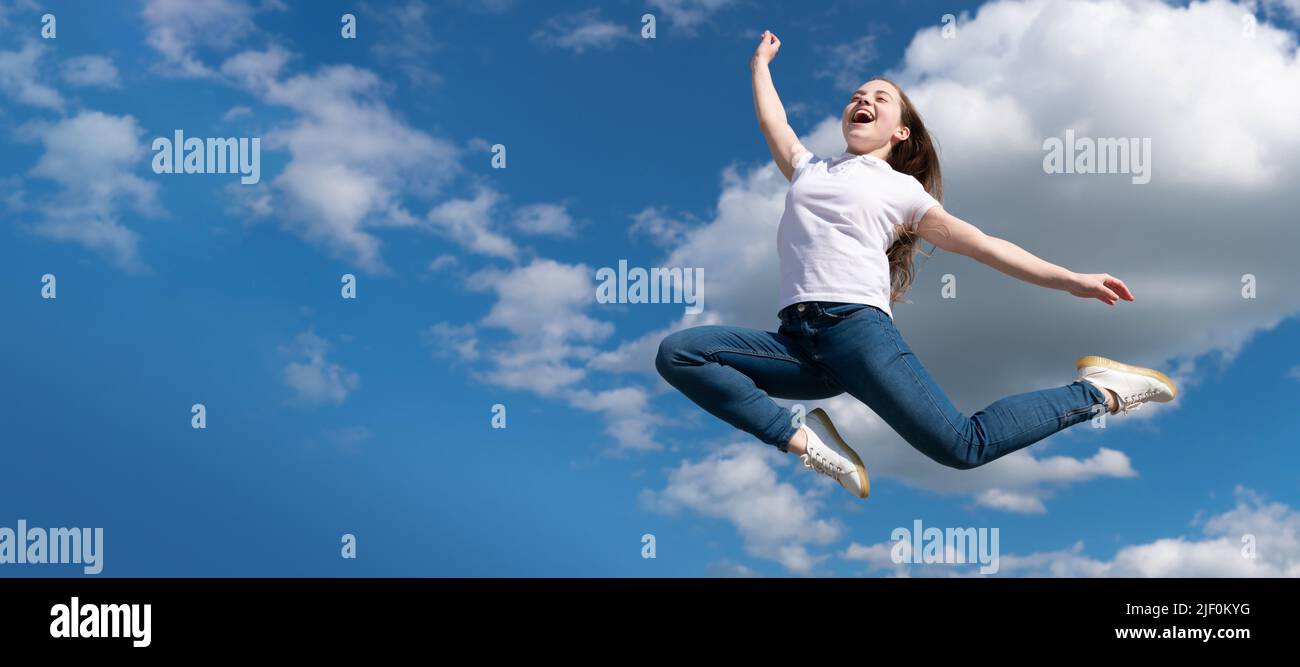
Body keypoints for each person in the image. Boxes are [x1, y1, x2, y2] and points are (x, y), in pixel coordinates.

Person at [654, 30, 1177, 499]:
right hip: (797, 342)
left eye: (880, 98)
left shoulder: (902, 190)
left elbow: (981, 244)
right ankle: (805, 441)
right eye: (857, 95)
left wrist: (1071, 280)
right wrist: (759, 66)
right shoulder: (810, 169)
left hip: (857, 331)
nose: (864, 100)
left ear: (900, 132)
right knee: (681, 353)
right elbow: (775, 125)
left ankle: (1101, 391)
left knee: (962, 447)